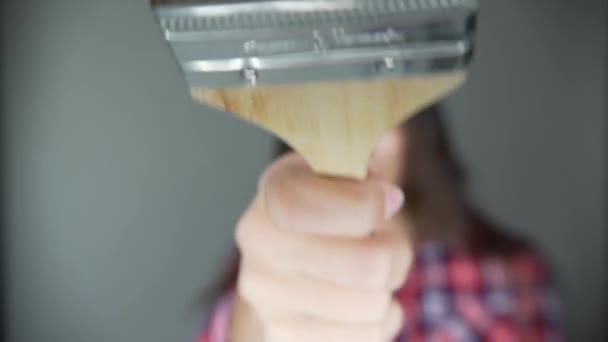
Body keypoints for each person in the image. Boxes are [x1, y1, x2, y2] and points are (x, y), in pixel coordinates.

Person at [198, 104, 564, 342]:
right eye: (322, 114)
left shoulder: (508, 278)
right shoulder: (259, 273)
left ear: (418, 131)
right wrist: (251, 323)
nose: (350, 137)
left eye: (378, 113)